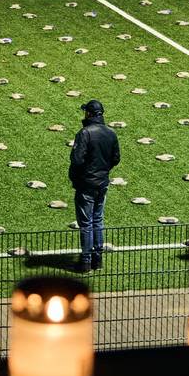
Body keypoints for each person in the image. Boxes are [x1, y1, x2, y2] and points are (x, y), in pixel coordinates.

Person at [68, 100, 119, 269]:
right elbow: (116, 158)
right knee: (98, 220)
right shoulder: (111, 133)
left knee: (86, 223)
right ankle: (97, 259)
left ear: (89, 114)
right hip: (102, 182)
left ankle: (86, 261)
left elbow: (77, 159)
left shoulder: (85, 133)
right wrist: (102, 170)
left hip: (86, 184)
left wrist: (81, 175)